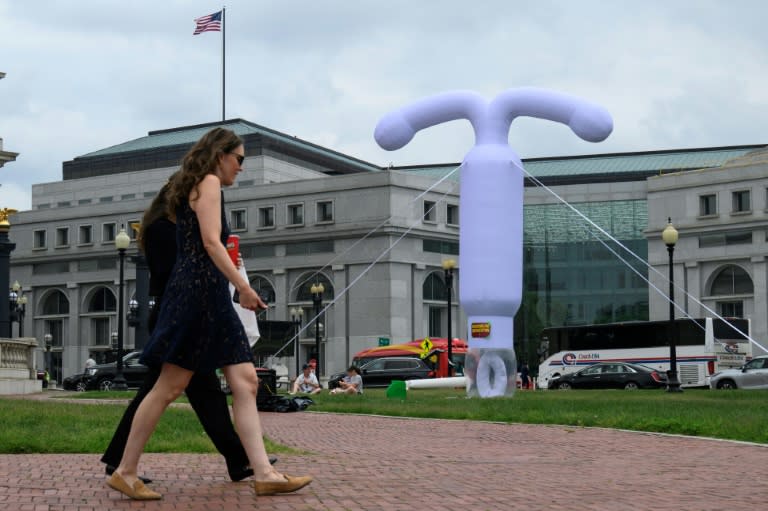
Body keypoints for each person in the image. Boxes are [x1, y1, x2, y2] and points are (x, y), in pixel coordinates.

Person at [106, 128, 312, 500]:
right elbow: (211, 243)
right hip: (199, 295)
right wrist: (244, 287)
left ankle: (263, 472)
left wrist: (231, 287)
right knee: (169, 386)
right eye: (240, 159)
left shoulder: (201, 183)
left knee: (246, 381)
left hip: (209, 295)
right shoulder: (210, 181)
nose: (242, 168)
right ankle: (125, 470)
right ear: (221, 154)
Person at [100, 179, 269, 484]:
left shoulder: (178, 229)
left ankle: (239, 459)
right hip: (176, 313)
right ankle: (120, 463)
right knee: (165, 392)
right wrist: (215, 261)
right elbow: (177, 271)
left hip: (190, 313)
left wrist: (226, 262)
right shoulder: (161, 230)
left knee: (203, 395)